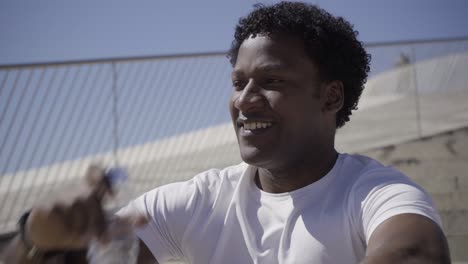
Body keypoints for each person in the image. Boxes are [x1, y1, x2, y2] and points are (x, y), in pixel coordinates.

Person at [1, 2, 451, 263]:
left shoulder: (376, 192)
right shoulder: (202, 198)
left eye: (271, 82)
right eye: (239, 83)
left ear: (330, 97)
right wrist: (36, 236)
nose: (244, 100)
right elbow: (98, 250)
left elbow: (414, 251)